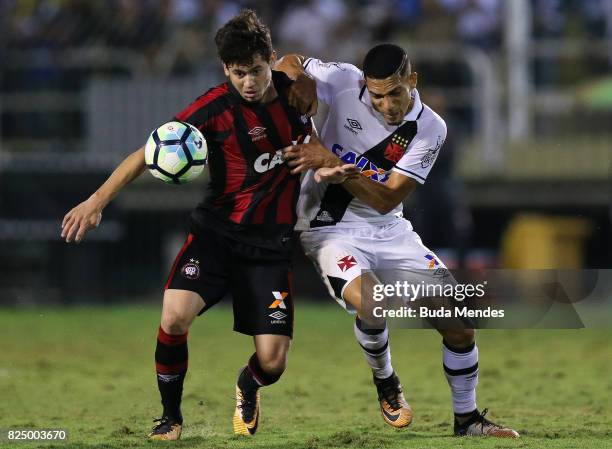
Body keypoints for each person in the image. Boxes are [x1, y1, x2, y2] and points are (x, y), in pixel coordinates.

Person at [61, 10, 319, 441]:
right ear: (226, 69)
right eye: (239, 73)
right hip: (216, 236)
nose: (249, 82)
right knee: (175, 315)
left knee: (272, 363)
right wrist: (97, 199)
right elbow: (148, 152)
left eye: (256, 71)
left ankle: (248, 384)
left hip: (270, 246)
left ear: (270, 60)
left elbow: (328, 81)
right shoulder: (214, 107)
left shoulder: (300, 99)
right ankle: (169, 418)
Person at [277, 44, 519, 438]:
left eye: (395, 93)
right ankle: (386, 381)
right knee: (372, 303)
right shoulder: (340, 80)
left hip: (389, 228)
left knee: (458, 322)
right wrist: (300, 78)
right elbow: (285, 60)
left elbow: (389, 196)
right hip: (328, 227)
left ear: (413, 81)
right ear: (364, 86)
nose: (387, 104)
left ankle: (468, 419)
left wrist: (333, 164)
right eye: (377, 96)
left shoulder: (430, 127)